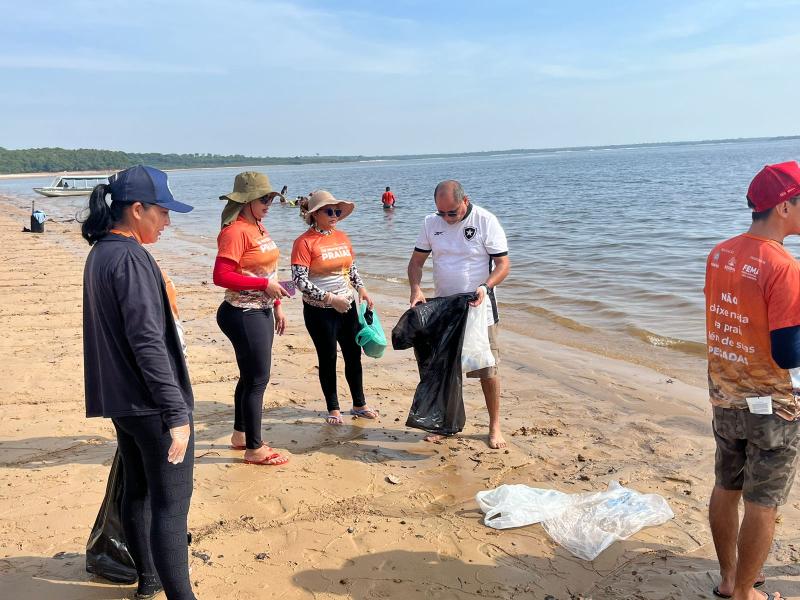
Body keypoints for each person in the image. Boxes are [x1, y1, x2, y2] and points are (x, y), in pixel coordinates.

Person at [81, 165, 197, 600]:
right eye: (162, 212)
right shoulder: (129, 258)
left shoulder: (101, 252)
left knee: (138, 492)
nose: (167, 221)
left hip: (122, 402)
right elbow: (147, 340)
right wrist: (176, 412)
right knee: (171, 507)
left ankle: (148, 582)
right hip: (151, 405)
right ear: (136, 210)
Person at [705, 162, 800, 600]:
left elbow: (735, 318)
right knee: (764, 500)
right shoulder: (783, 266)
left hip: (725, 394)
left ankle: (729, 579)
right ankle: (745, 592)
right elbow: (787, 353)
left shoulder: (721, 252)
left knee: (728, 484)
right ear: (785, 206)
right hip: (773, 407)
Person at [407, 180, 510, 449]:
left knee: (487, 368)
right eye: (441, 212)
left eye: (451, 212)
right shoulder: (431, 223)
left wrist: (485, 287)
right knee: (445, 370)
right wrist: (416, 289)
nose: (446, 218)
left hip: (479, 306)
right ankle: (445, 424)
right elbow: (416, 262)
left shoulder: (485, 220)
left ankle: (494, 426)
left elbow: (503, 264)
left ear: (466, 201)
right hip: (444, 307)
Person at [214, 171, 290, 466]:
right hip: (243, 313)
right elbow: (221, 276)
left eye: (271, 197)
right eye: (264, 198)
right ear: (246, 200)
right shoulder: (235, 231)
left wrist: (278, 303)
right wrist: (263, 288)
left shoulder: (258, 226)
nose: (269, 202)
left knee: (249, 378)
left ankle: (240, 435)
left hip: (262, 310)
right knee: (258, 380)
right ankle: (255, 449)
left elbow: (268, 272)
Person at [291, 190, 378, 424]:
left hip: (348, 307)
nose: (335, 215)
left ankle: (359, 404)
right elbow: (300, 280)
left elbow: (351, 269)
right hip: (319, 311)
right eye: (329, 211)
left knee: (353, 356)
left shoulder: (342, 237)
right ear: (315, 214)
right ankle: (333, 408)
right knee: (328, 357)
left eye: (337, 211)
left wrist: (362, 289)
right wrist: (330, 299)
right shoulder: (304, 242)